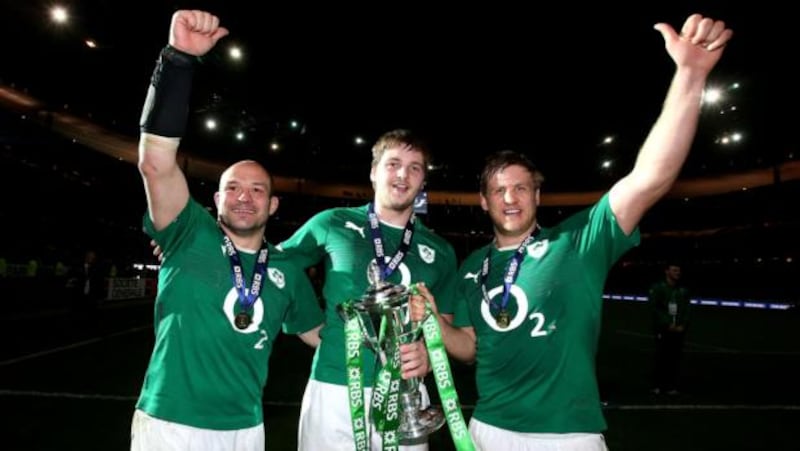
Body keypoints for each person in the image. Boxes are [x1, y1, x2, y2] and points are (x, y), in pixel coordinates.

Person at [411, 13, 733, 450]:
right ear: (484, 202)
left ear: (537, 196)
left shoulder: (578, 241)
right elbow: (469, 347)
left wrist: (690, 75)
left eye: (521, 187)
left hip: (567, 436)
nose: (510, 198)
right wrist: (434, 323)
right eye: (499, 190)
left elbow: (651, 176)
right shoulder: (472, 267)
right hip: (486, 430)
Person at [132, 10, 324, 450]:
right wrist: (179, 60)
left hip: (246, 429)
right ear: (215, 200)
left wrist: (391, 340)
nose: (243, 196)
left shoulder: (288, 271)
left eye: (257, 190)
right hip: (170, 423)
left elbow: (321, 338)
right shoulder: (187, 233)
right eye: (232, 187)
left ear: (273, 205)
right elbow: (154, 163)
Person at [277, 128, 459, 450]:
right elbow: (274, 265)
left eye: (415, 167)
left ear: (422, 182)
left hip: (408, 395)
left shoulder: (440, 250)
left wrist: (429, 356)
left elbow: (442, 323)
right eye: (393, 164)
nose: (403, 174)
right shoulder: (333, 222)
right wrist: (303, 323)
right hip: (334, 387)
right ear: (374, 172)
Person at [649, 262, 692, 395]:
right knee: (661, 357)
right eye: (674, 270)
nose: (677, 273)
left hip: (678, 330)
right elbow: (654, 308)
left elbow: (687, 310)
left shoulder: (683, 290)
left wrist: (682, 325)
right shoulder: (658, 288)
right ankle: (657, 385)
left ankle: (671, 386)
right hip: (663, 329)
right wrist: (667, 324)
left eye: (678, 271)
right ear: (666, 272)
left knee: (675, 358)